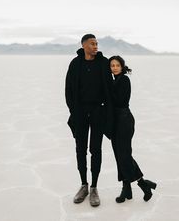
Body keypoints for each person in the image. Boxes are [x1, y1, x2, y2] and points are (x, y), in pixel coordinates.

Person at [65, 34, 113, 207]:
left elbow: (109, 88)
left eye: (97, 43)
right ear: (84, 45)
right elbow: (68, 88)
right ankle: (83, 185)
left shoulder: (103, 62)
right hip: (80, 112)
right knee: (80, 149)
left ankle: (94, 187)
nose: (96, 46)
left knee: (96, 150)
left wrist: (108, 111)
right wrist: (74, 109)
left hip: (98, 111)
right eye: (92, 44)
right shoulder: (75, 64)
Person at [109, 55, 157, 203]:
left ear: (122, 66)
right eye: (112, 65)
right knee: (119, 155)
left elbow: (120, 101)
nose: (115, 68)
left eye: (117, 65)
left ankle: (143, 184)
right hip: (115, 122)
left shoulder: (124, 80)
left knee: (124, 155)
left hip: (124, 120)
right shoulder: (114, 80)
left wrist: (105, 95)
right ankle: (127, 188)